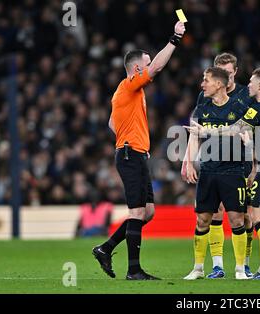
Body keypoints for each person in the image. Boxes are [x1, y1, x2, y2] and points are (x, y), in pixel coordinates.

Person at [92, 20, 186, 280]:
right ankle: (134, 271)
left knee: (148, 212)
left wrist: (126, 136)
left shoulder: (127, 93)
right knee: (136, 212)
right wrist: (174, 39)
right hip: (129, 153)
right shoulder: (129, 85)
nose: (149, 67)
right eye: (145, 63)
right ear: (136, 69)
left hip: (133, 152)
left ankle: (106, 248)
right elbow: (156, 67)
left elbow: (112, 122)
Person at [186, 67, 260, 280]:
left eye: (252, 82)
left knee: (256, 217)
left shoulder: (257, 107)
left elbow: (236, 129)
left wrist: (207, 131)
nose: (249, 86)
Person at [181, 53, 256, 279]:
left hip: (233, 169)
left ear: (219, 84)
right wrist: (190, 162)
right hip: (208, 169)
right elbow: (194, 136)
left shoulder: (240, 104)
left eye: (206, 80)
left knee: (237, 218)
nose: (202, 84)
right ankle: (199, 268)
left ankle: (242, 268)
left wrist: (252, 165)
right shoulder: (203, 107)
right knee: (204, 218)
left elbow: (247, 133)